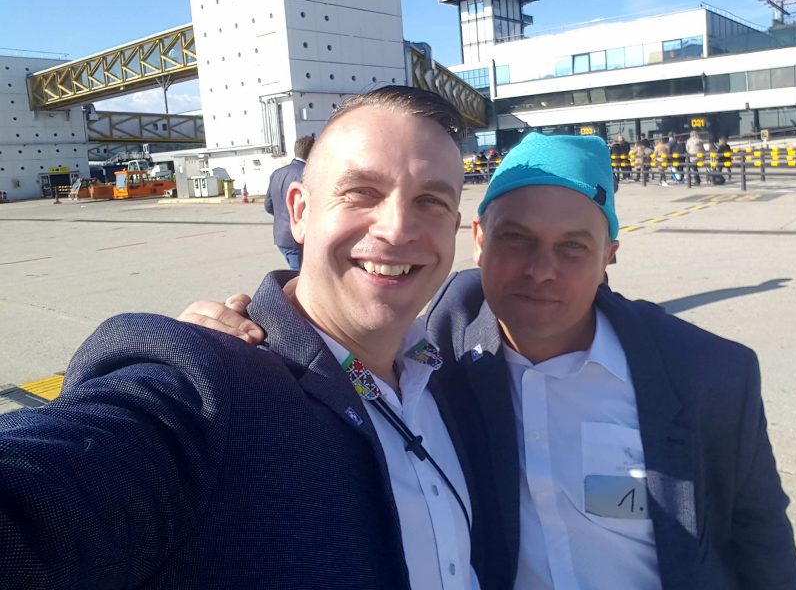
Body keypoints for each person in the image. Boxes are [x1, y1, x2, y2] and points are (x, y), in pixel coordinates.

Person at [186, 132, 796, 589]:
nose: (541, 271)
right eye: (516, 239)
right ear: (479, 239)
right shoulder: (434, 352)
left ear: (610, 254)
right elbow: (328, 334)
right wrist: (212, 336)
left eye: (573, 247)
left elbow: (762, 545)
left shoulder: (707, 376)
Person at [0, 87, 495, 589]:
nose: (397, 228)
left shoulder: (442, 373)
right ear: (299, 211)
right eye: (361, 192)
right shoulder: (214, 391)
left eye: (430, 201)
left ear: (454, 226)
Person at [264, 134, 314, 269]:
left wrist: (283, 217)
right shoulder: (307, 174)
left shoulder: (277, 173)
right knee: (299, 275)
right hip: (297, 237)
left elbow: (268, 205)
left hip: (281, 236)